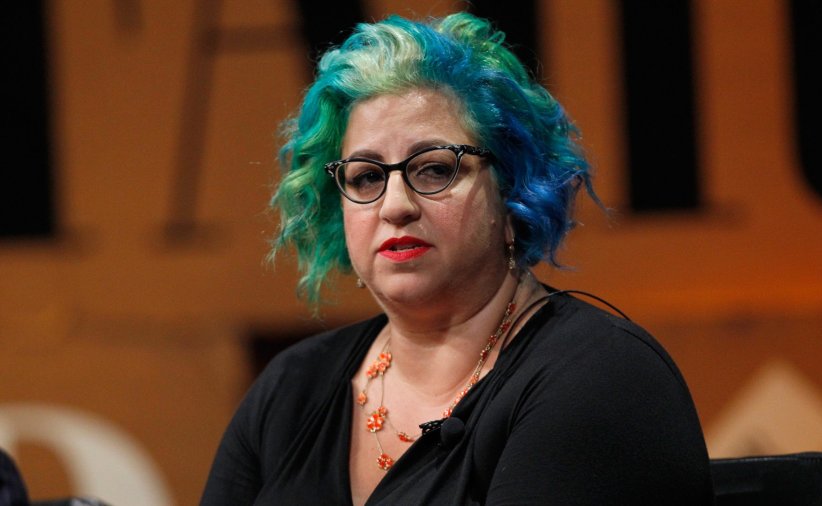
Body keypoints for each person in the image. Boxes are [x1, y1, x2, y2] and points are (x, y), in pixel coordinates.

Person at [201, 12, 713, 505]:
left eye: (433, 169)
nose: (395, 206)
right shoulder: (291, 390)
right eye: (366, 177)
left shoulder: (600, 378)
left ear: (512, 189)